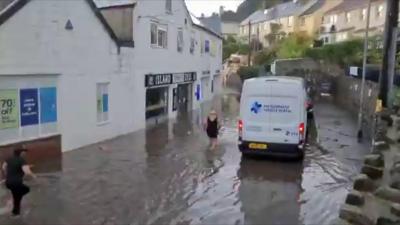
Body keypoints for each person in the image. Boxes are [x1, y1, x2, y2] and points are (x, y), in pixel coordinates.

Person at [2, 148, 37, 216]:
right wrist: (33, 175)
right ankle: (14, 212)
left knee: (17, 194)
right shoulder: (21, 160)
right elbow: (26, 171)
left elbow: (3, 167)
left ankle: (13, 205)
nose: (25, 154)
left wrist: (7, 173)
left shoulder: (9, 159)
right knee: (26, 190)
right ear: (21, 153)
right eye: (24, 153)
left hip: (8, 182)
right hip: (16, 183)